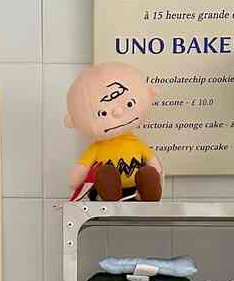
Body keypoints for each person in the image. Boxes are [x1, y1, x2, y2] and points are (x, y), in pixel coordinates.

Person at [64, 62, 163, 201]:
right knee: (105, 173)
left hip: (135, 191)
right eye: (103, 113)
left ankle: (148, 195)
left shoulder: (136, 143)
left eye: (129, 104)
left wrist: (155, 174)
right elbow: (78, 174)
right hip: (105, 196)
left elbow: (155, 166)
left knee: (148, 172)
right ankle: (111, 197)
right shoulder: (96, 148)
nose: (118, 112)